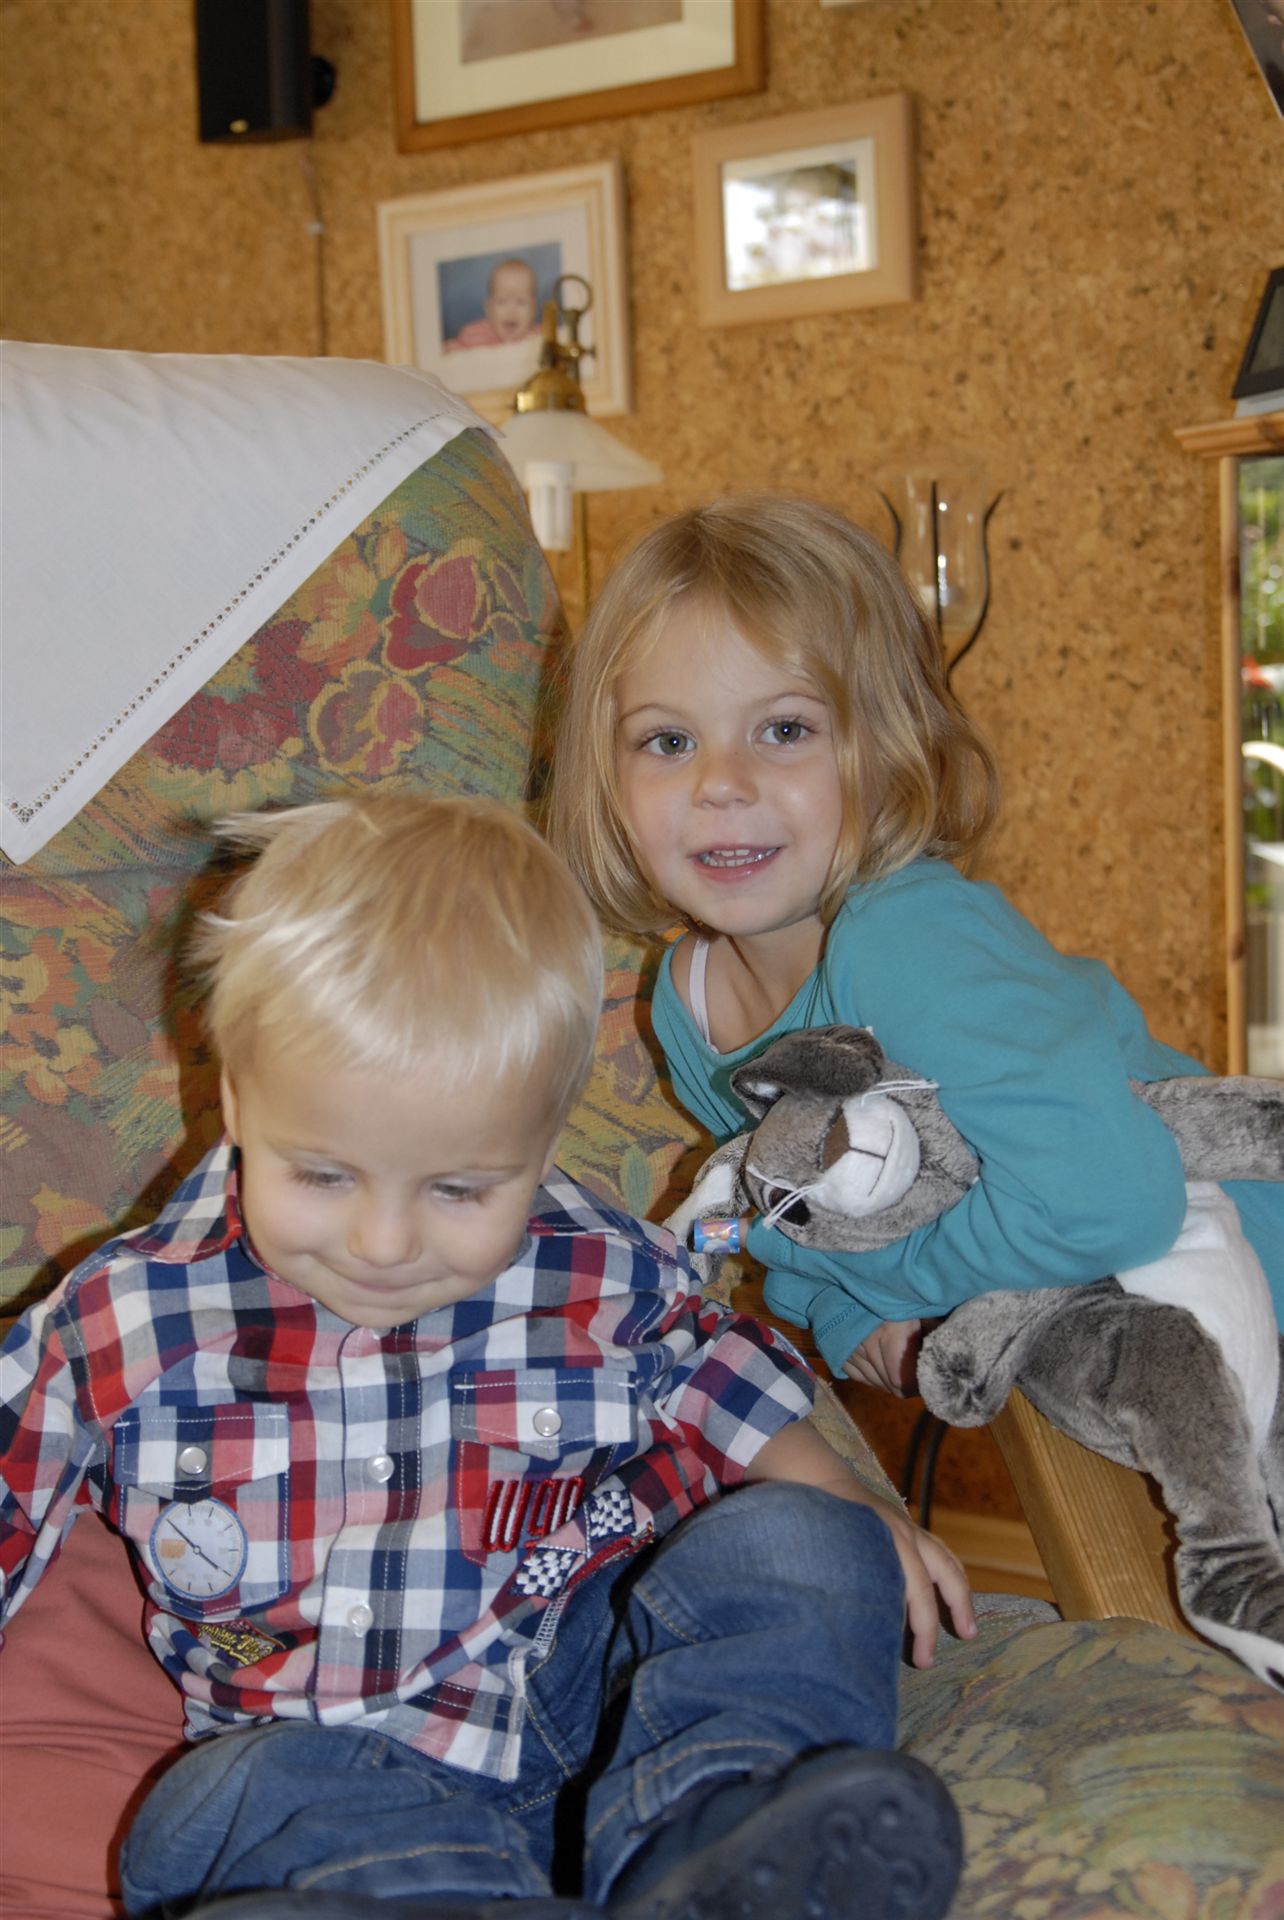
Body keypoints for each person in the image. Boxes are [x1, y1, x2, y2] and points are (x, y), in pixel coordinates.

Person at [0, 790, 971, 1920]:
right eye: (323, 1175)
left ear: (542, 1145)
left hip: (600, 1701)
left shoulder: (593, 1263)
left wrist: (851, 1508)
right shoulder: (124, 1318)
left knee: (802, 1542)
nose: (382, 1243)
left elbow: (715, 1375)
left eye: (460, 1189)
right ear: (236, 1102)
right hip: (330, 1759)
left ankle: (714, 1832)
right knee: (213, 1803)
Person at [547, 493, 1284, 1400]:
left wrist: (885, 1288)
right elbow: (794, 1206)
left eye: (785, 730)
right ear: (607, 776)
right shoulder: (685, 996)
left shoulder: (905, 938)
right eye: (668, 740)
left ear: (887, 747)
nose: (721, 784)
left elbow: (1110, 1204)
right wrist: (840, 1310)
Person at [443, 256, 540, 352]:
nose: (511, 311)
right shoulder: (474, 336)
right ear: (488, 308)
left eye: (520, 302)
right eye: (502, 302)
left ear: (533, 309)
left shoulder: (538, 337)